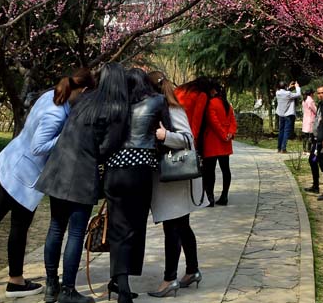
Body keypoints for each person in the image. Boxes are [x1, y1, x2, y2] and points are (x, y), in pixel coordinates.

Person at [0, 70, 94, 298]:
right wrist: (69, 135)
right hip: (26, 172)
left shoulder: (52, 95)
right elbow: (39, 147)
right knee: (19, 226)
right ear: (81, 90)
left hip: (14, 161)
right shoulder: (57, 113)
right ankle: (15, 281)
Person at [36, 66, 126, 303]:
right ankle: (68, 290)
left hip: (58, 169)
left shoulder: (83, 100)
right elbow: (107, 147)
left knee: (56, 228)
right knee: (75, 232)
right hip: (82, 175)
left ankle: (51, 286)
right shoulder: (114, 109)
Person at [104, 66, 173, 302]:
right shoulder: (157, 101)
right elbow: (167, 132)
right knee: (134, 227)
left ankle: (119, 282)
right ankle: (123, 285)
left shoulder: (119, 105)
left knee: (118, 228)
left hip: (113, 171)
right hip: (139, 171)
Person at [147, 71, 207, 297]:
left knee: (172, 226)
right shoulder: (158, 109)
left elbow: (188, 139)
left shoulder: (173, 109)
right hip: (169, 179)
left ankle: (169, 278)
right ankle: (192, 270)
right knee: (181, 225)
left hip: (176, 177)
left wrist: (164, 136)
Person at [202, 81, 237, 207]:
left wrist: (223, 134)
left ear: (213, 91)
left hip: (212, 140)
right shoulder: (227, 104)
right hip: (225, 143)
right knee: (225, 169)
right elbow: (233, 121)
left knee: (209, 170)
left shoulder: (211, 103)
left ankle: (210, 197)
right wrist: (229, 134)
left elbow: (213, 122)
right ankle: (224, 195)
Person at [275, 81, 301, 153]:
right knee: (286, 132)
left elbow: (285, 92)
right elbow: (298, 94)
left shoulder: (277, 93)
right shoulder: (288, 94)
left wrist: (288, 87)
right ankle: (283, 148)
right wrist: (297, 86)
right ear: (285, 86)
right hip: (288, 115)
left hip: (281, 115)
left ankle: (279, 148)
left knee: (281, 132)